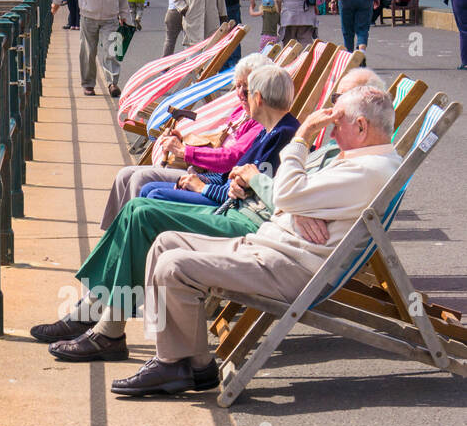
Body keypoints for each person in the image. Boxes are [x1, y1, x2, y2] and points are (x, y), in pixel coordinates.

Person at [112, 85, 402, 396]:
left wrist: (302, 136)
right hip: (271, 245)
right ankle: (192, 365)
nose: (330, 133)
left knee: (174, 265)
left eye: (336, 123)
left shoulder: (366, 170)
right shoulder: (360, 161)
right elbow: (291, 196)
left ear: (361, 126)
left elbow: (288, 193)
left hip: (289, 265)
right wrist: (295, 208)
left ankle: (174, 364)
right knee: (165, 243)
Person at [35, 63, 301, 361]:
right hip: (236, 210)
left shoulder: (285, 136)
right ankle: (99, 315)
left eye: (247, 91)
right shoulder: (277, 132)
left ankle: (103, 322)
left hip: (245, 223)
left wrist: (221, 184)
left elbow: (272, 196)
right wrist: (236, 182)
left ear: (259, 97)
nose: (242, 95)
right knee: (138, 206)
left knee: (142, 211)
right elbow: (243, 182)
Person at [98, 52, 271, 224]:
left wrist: (184, 151)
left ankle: (127, 238)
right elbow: (219, 143)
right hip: (205, 171)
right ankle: (113, 235)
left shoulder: (258, 123)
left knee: (141, 181)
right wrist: (185, 142)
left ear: (259, 92)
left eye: (246, 88)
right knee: (124, 174)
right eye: (238, 85)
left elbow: (230, 158)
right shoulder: (241, 112)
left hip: (211, 178)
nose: (240, 93)